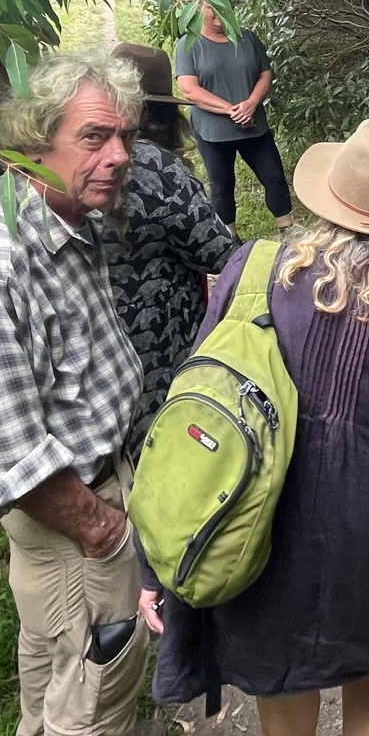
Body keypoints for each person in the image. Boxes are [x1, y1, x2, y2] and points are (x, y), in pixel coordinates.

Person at [138, 118, 369, 736]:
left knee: (284, 730)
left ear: (329, 197)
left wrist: (151, 554)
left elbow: (193, 398)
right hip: (363, 525)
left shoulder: (253, 267)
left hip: (253, 520)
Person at [0, 49, 198, 736]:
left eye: (123, 136)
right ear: (34, 141)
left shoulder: (62, 219)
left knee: (52, 652)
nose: (119, 156)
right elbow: (5, 449)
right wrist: (102, 527)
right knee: (98, 675)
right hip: (72, 508)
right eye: (93, 138)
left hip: (75, 502)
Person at [107, 42, 239, 458]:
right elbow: (219, 251)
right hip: (160, 351)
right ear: (163, 110)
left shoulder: (67, 165)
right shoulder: (156, 167)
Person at [175, 0, 295, 233]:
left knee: (274, 178)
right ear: (200, 10)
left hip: (254, 127)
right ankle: (228, 243)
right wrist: (231, 110)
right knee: (222, 187)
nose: (219, 13)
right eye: (212, 8)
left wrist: (251, 103)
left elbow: (266, 73)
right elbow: (189, 89)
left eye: (224, 7)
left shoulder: (247, 37)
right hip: (213, 133)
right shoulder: (188, 44)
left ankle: (288, 231)